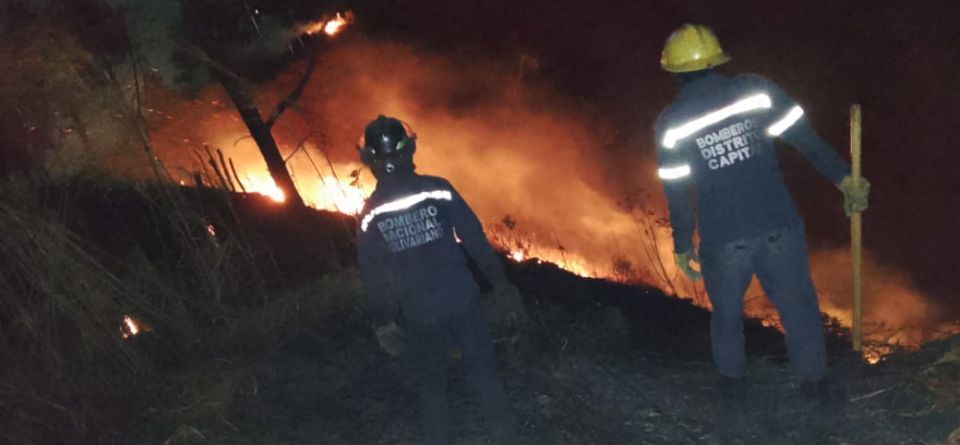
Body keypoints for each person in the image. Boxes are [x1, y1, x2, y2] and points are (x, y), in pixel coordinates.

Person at [653, 24, 871, 405]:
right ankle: (817, 391)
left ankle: (733, 397)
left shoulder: (671, 125)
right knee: (799, 309)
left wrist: (683, 245)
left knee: (726, 319)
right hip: (778, 226)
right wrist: (843, 178)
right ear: (717, 60)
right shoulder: (756, 91)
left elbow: (676, 192)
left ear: (674, 72)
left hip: (724, 241)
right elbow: (805, 139)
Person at [355, 115, 521, 445]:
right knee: (485, 377)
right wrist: (501, 286)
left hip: (420, 313)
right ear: (409, 150)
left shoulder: (370, 214)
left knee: (432, 390)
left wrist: (383, 323)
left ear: (370, 160)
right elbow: (474, 239)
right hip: (463, 301)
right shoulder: (439, 190)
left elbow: (374, 275)